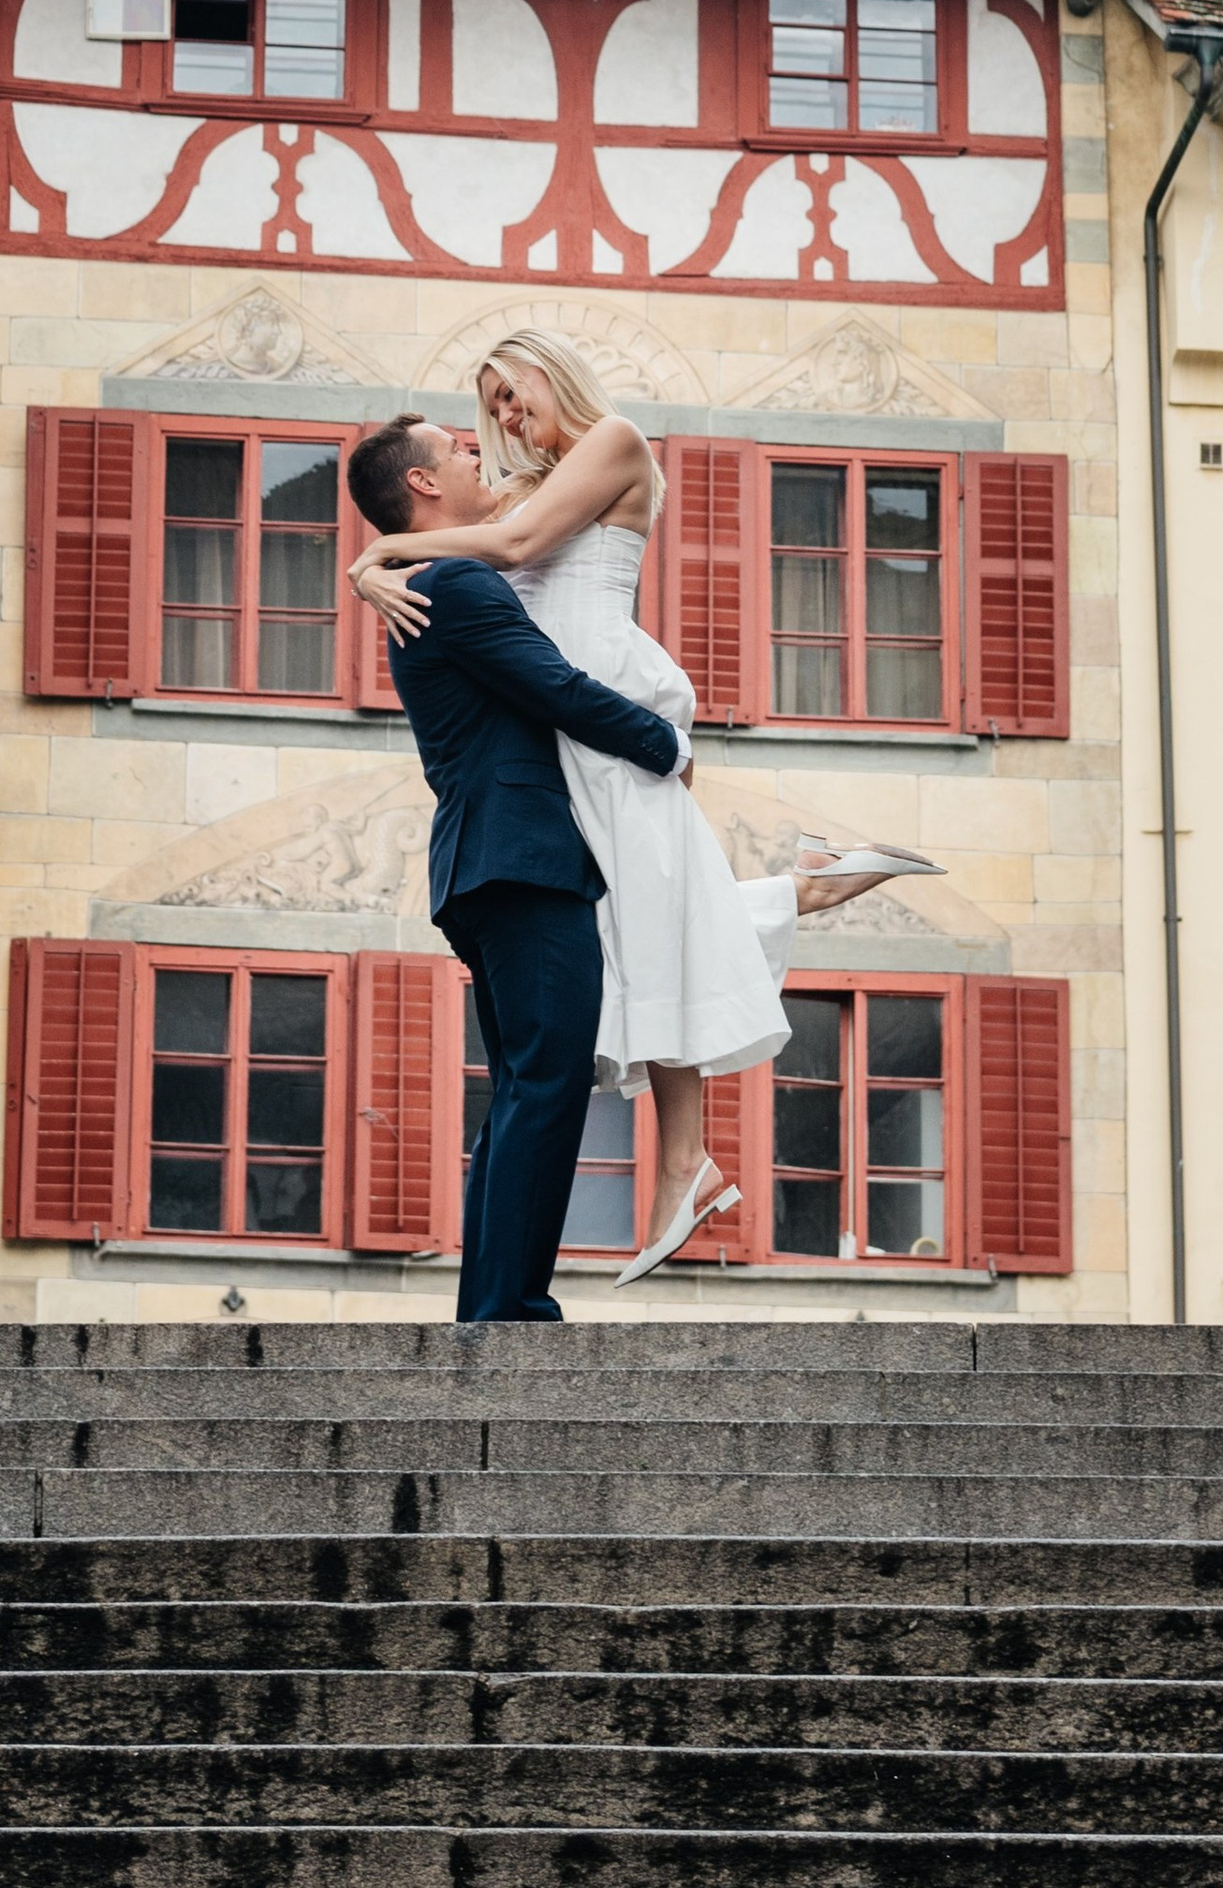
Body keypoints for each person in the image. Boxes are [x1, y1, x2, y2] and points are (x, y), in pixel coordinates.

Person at [350, 326, 940, 1282]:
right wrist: (392, 555)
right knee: (636, 919)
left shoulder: (613, 441)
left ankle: (684, 1159)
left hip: (601, 690)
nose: (500, 417)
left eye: (512, 389)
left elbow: (507, 544)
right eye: (487, 405)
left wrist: (375, 557)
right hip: (566, 720)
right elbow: (463, 526)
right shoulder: (517, 484)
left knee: (649, 911)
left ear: (553, 369)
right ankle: (800, 893)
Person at [344, 409, 687, 1324]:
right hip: (523, 859)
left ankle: (494, 1302)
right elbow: (556, 687)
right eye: (456, 449)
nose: (474, 451)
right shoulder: (453, 583)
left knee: (525, 1085)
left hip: (489, 862)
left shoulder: (428, 581)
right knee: (547, 1079)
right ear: (423, 485)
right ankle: (509, 1309)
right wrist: (665, 743)